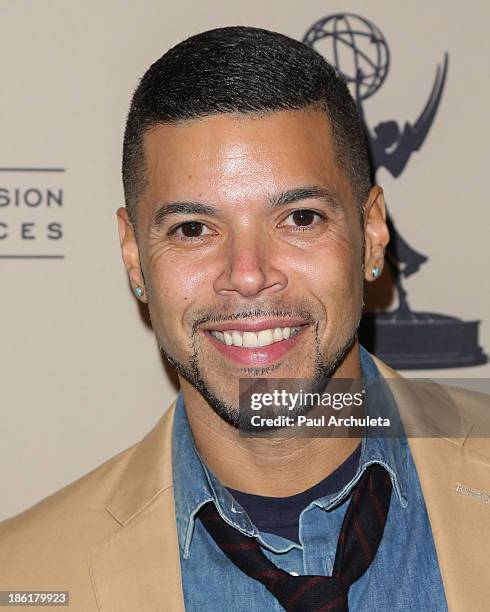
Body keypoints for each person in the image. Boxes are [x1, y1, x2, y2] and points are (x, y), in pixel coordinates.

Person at [1, 26, 488, 612]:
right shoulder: (25, 576)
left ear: (372, 235)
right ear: (134, 255)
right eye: (193, 229)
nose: (249, 274)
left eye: (300, 219)